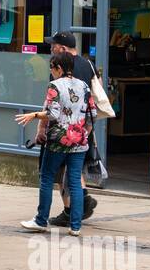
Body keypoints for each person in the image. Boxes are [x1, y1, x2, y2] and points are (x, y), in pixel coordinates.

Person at [16, 51, 96, 236]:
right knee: (75, 181)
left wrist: (34, 115)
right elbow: (91, 114)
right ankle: (75, 226)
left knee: (47, 177)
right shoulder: (84, 86)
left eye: (52, 68)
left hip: (58, 140)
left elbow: (52, 113)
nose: (51, 72)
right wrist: (84, 133)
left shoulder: (55, 86)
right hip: (79, 141)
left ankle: (41, 220)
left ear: (59, 68)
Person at [47, 31, 98, 226]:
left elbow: (54, 103)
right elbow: (97, 91)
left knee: (61, 171)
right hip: (84, 126)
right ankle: (82, 199)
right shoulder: (88, 64)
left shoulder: (62, 66)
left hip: (63, 128)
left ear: (63, 48)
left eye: (54, 45)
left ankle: (70, 209)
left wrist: (44, 126)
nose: (52, 48)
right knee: (75, 169)